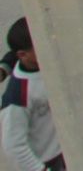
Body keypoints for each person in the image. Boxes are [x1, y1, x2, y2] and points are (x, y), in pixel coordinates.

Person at [1, 18, 60, 171]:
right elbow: (14, 146)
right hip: (52, 162)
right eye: (40, 44)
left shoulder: (52, 63)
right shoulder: (17, 96)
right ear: (23, 54)